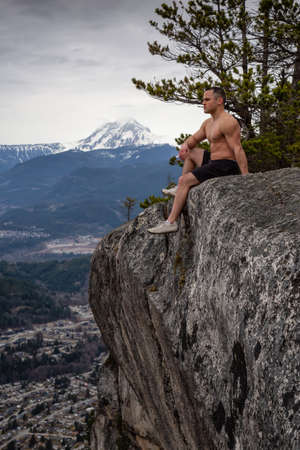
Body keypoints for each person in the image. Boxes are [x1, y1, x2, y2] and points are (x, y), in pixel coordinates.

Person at [148, 87, 249, 234]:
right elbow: (194, 139)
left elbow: (237, 149)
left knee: (185, 180)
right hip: (213, 161)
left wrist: (245, 176)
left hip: (225, 165)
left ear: (219, 101)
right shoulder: (208, 123)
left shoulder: (228, 122)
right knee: (191, 153)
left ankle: (171, 222)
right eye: (203, 100)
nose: (203, 103)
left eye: (207, 99)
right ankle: (179, 189)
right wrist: (185, 146)